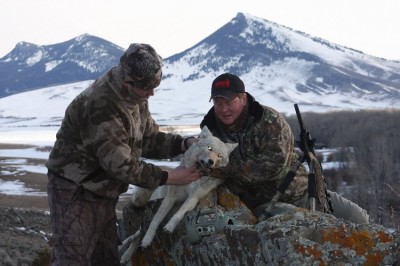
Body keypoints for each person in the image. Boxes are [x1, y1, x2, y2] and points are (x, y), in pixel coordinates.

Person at [45, 43, 201, 266]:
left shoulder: (137, 97)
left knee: (106, 259)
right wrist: (169, 178)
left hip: (103, 191)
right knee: (73, 258)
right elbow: (121, 165)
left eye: (156, 84)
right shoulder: (102, 104)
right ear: (129, 82)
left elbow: (148, 138)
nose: (152, 93)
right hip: (74, 189)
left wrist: (183, 143)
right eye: (148, 87)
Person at [200, 73, 369, 224]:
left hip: (302, 192)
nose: (223, 109)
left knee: (359, 218)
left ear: (243, 99)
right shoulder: (210, 130)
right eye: (218, 102)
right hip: (263, 204)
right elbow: (203, 166)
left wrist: (225, 169)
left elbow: (272, 166)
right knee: (307, 224)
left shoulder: (268, 120)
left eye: (229, 102)